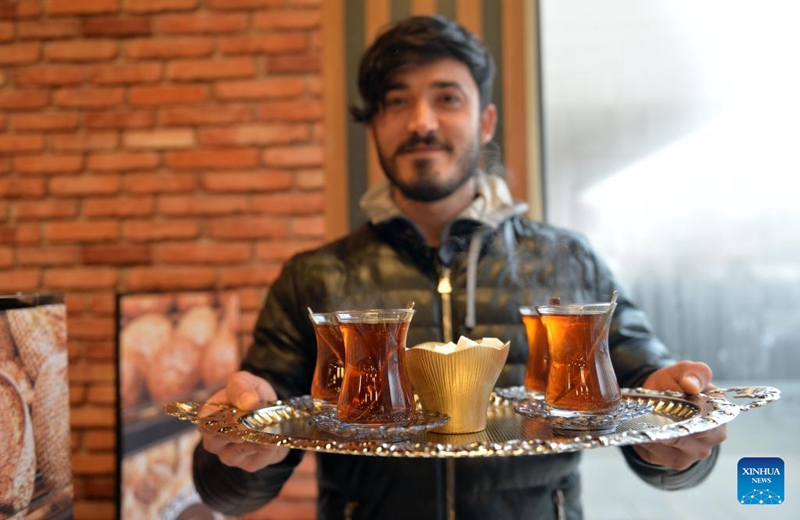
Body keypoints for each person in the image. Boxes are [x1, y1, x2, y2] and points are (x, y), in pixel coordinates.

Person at [193, 15, 726, 520]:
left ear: (485, 120)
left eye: (446, 98)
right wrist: (232, 455)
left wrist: (679, 437)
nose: (422, 122)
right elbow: (231, 483)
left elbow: (649, 399)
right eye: (397, 101)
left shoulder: (568, 260)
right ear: (374, 125)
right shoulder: (313, 276)